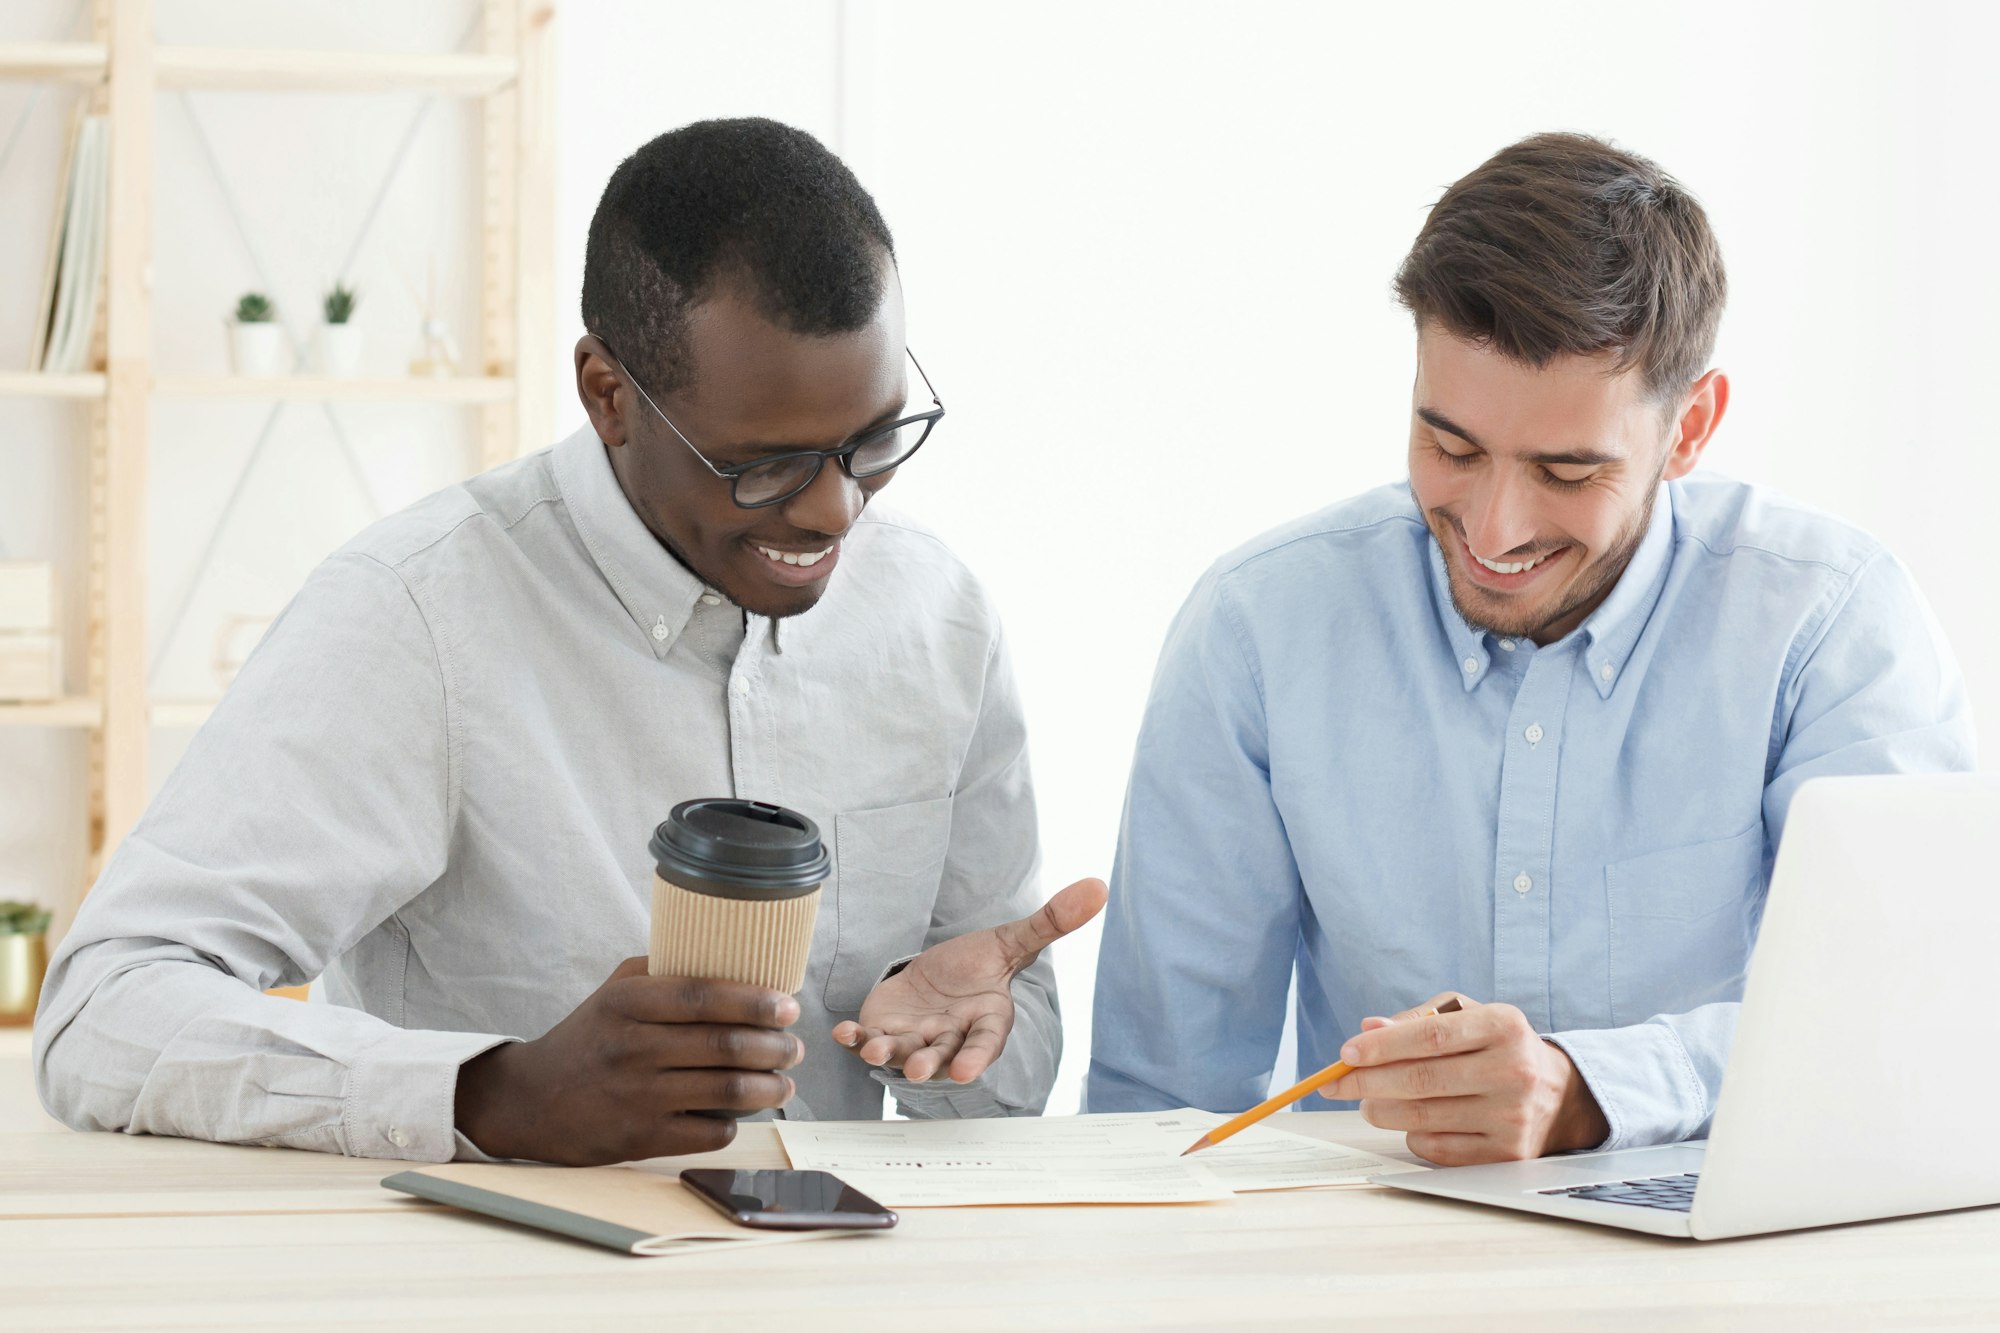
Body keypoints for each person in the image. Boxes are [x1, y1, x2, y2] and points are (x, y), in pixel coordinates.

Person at [36, 118, 1105, 1166]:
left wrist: (962, 1042)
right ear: (608, 395)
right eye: (765, 464)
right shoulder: (414, 615)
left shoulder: (939, 614)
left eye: (873, 441)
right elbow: (104, 1009)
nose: (834, 512)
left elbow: (1003, 1077)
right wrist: (490, 1091)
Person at [1086, 132, 1975, 1165]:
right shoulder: (1256, 628)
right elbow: (1158, 1112)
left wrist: (1591, 1090)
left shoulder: (1829, 623)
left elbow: (1899, 1030)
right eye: (1449, 447)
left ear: (1688, 428)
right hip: (1363, 1276)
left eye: (1563, 469)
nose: (1494, 529)